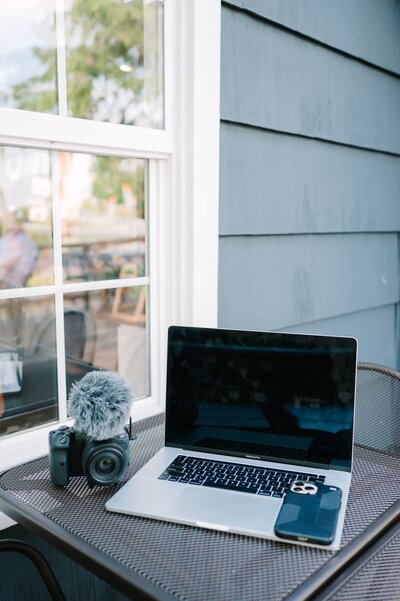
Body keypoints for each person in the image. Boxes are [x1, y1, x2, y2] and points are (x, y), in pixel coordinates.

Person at [0, 210, 38, 289]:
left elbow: (9, 260)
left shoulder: (19, 238)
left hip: (14, 280)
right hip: (12, 276)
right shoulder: (11, 237)